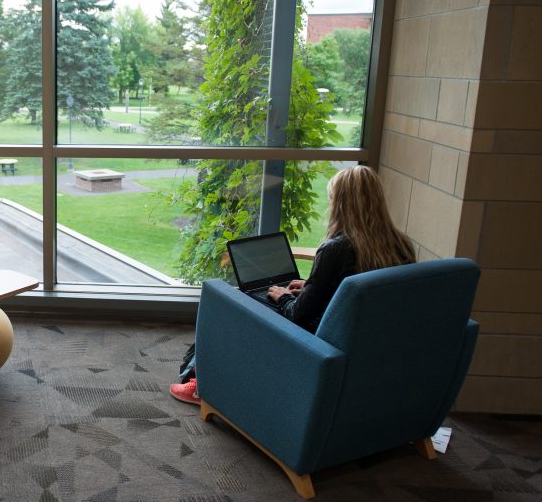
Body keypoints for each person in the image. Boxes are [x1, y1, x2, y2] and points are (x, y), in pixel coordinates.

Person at [170, 165, 416, 404]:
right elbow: (362, 292)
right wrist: (313, 286)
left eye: (331, 199)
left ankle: (201, 383)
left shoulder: (336, 249)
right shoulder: (401, 246)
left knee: (228, 303)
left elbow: (298, 316)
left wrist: (282, 296)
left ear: (340, 204)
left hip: (321, 344)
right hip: (369, 343)